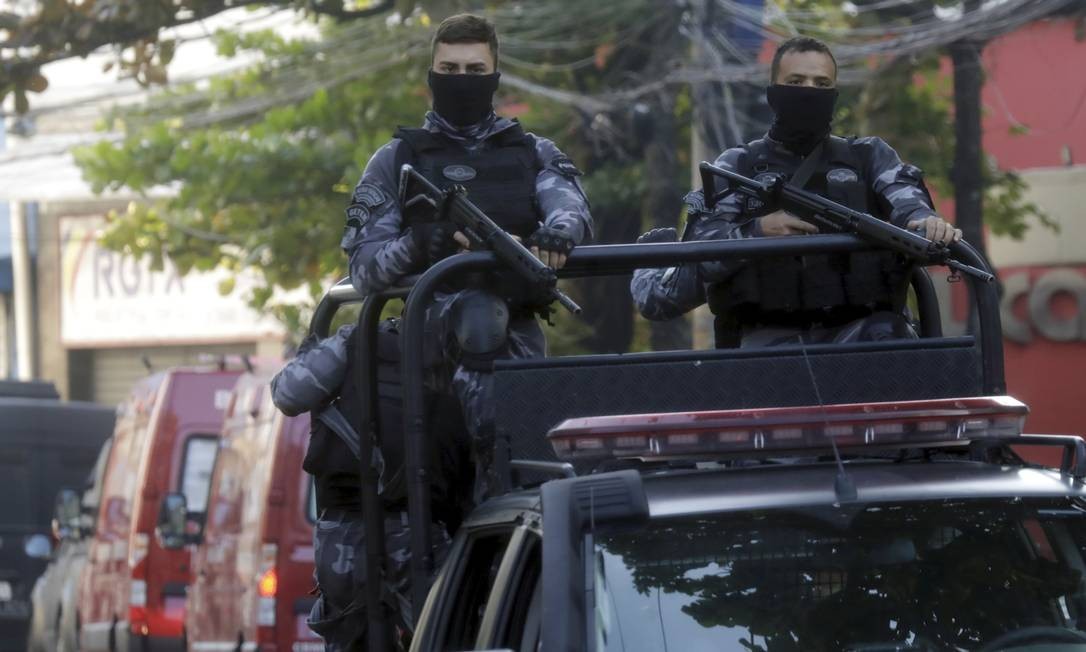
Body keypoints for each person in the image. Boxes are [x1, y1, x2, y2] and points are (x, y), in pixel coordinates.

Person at [341, 13, 591, 488]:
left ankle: (506, 487)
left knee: (531, 482)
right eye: (450, 70)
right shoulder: (398, 160)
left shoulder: (533, 151)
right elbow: (364, 270)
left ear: (494, 77)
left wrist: (555, 237)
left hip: (516, 335)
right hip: (430, 345)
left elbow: (570, 208)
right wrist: (418, 244)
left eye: (474, 71)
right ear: (432, 75)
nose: (461, 81)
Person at [631, 36, 961, 348]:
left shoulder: (869, 157)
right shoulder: (738, 166)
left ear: (834, 93)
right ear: (774, 93)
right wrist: (758, 232)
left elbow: (906, 201)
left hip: (863, 338)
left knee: (893, 336)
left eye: (821, 84)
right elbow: (702, 252)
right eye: (796, 82)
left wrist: (925, 221)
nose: (809, 92)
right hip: (769, 343)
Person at [272, 323, 464, 651]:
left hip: (345, 535)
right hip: (421, 533)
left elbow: (287, 394)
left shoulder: (356, 343)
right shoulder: (461, 346)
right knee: (449, 633)